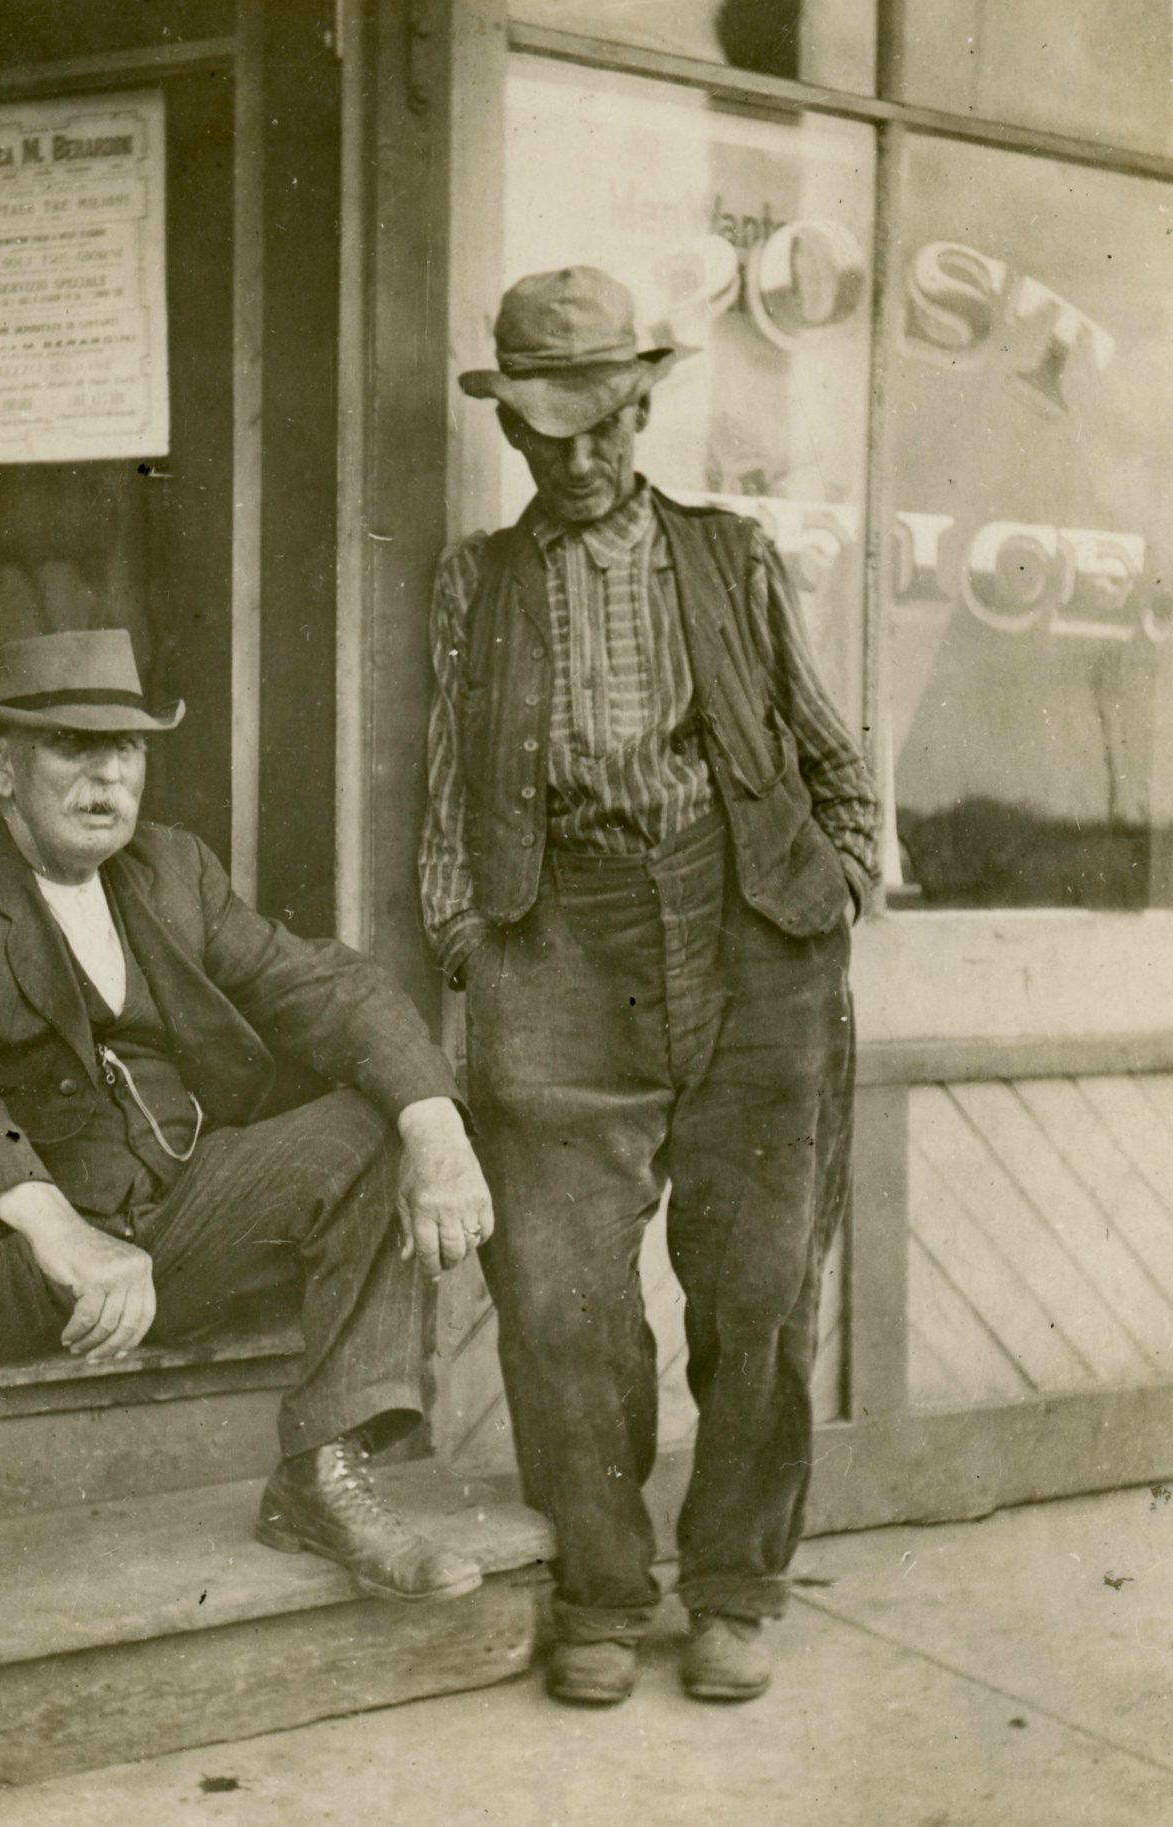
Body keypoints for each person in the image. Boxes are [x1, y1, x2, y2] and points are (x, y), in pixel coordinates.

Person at [0, 627, 495, 1678]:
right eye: (74, 746)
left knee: (373, 1131)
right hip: (8, 1270)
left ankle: (323, 1471)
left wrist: (435, 1123)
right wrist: (49, 1221)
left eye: (125, 748)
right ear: (2, 767)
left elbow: (326, 986)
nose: (108, 776)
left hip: (174, 1231)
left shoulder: (172, 871)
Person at [420, 268, 879, 1706]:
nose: (581, 460)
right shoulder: (475, 580)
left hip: (751, 931)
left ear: (642, 409)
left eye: (606, 426)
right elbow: (445, 792)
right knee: (561, 1301)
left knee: (758, 1288)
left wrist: (840, 882)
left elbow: (825, 743)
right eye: (550, 434)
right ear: (511, 430)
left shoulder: (730, 556)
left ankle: (734, 1586)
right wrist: (470, 943)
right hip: (559, 938)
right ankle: (603, 1592)